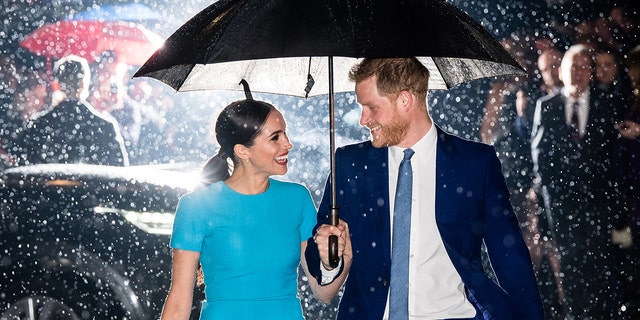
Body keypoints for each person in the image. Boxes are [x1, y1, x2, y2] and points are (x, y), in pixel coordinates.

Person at [305, 58, 543, 320]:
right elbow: (319, 257)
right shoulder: (349, 164)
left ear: (405, 100)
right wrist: (329, 261)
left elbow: (509, 255)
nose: (363, 119)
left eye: (371, 107)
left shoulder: (475, 163)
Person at [160, 99, 349, 320]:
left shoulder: (297, 197)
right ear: (242, 151)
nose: (288, 144)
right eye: (275, 137)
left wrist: (336, 260)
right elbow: (180, 299)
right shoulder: (195, 206)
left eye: (285, 134)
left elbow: (323, 292)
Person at [531, 44, 623, 318]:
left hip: (597, 205)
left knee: (599, 271)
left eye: (585, 67)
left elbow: (611, 158)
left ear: (592, 73)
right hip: (562, 208)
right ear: (561, 71)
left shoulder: (605, 105)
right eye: (573, 67)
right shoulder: (546, 106)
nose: (579, 73)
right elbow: (540, 160)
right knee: (570, 273)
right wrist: (552, 201)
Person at [12, 55, 129, 167]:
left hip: (48, 187)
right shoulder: (104, 126)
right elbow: (119, 174)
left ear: (57, 85)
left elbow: (22, 169)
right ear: (85, 84)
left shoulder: (38, 125)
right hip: (90, 187)